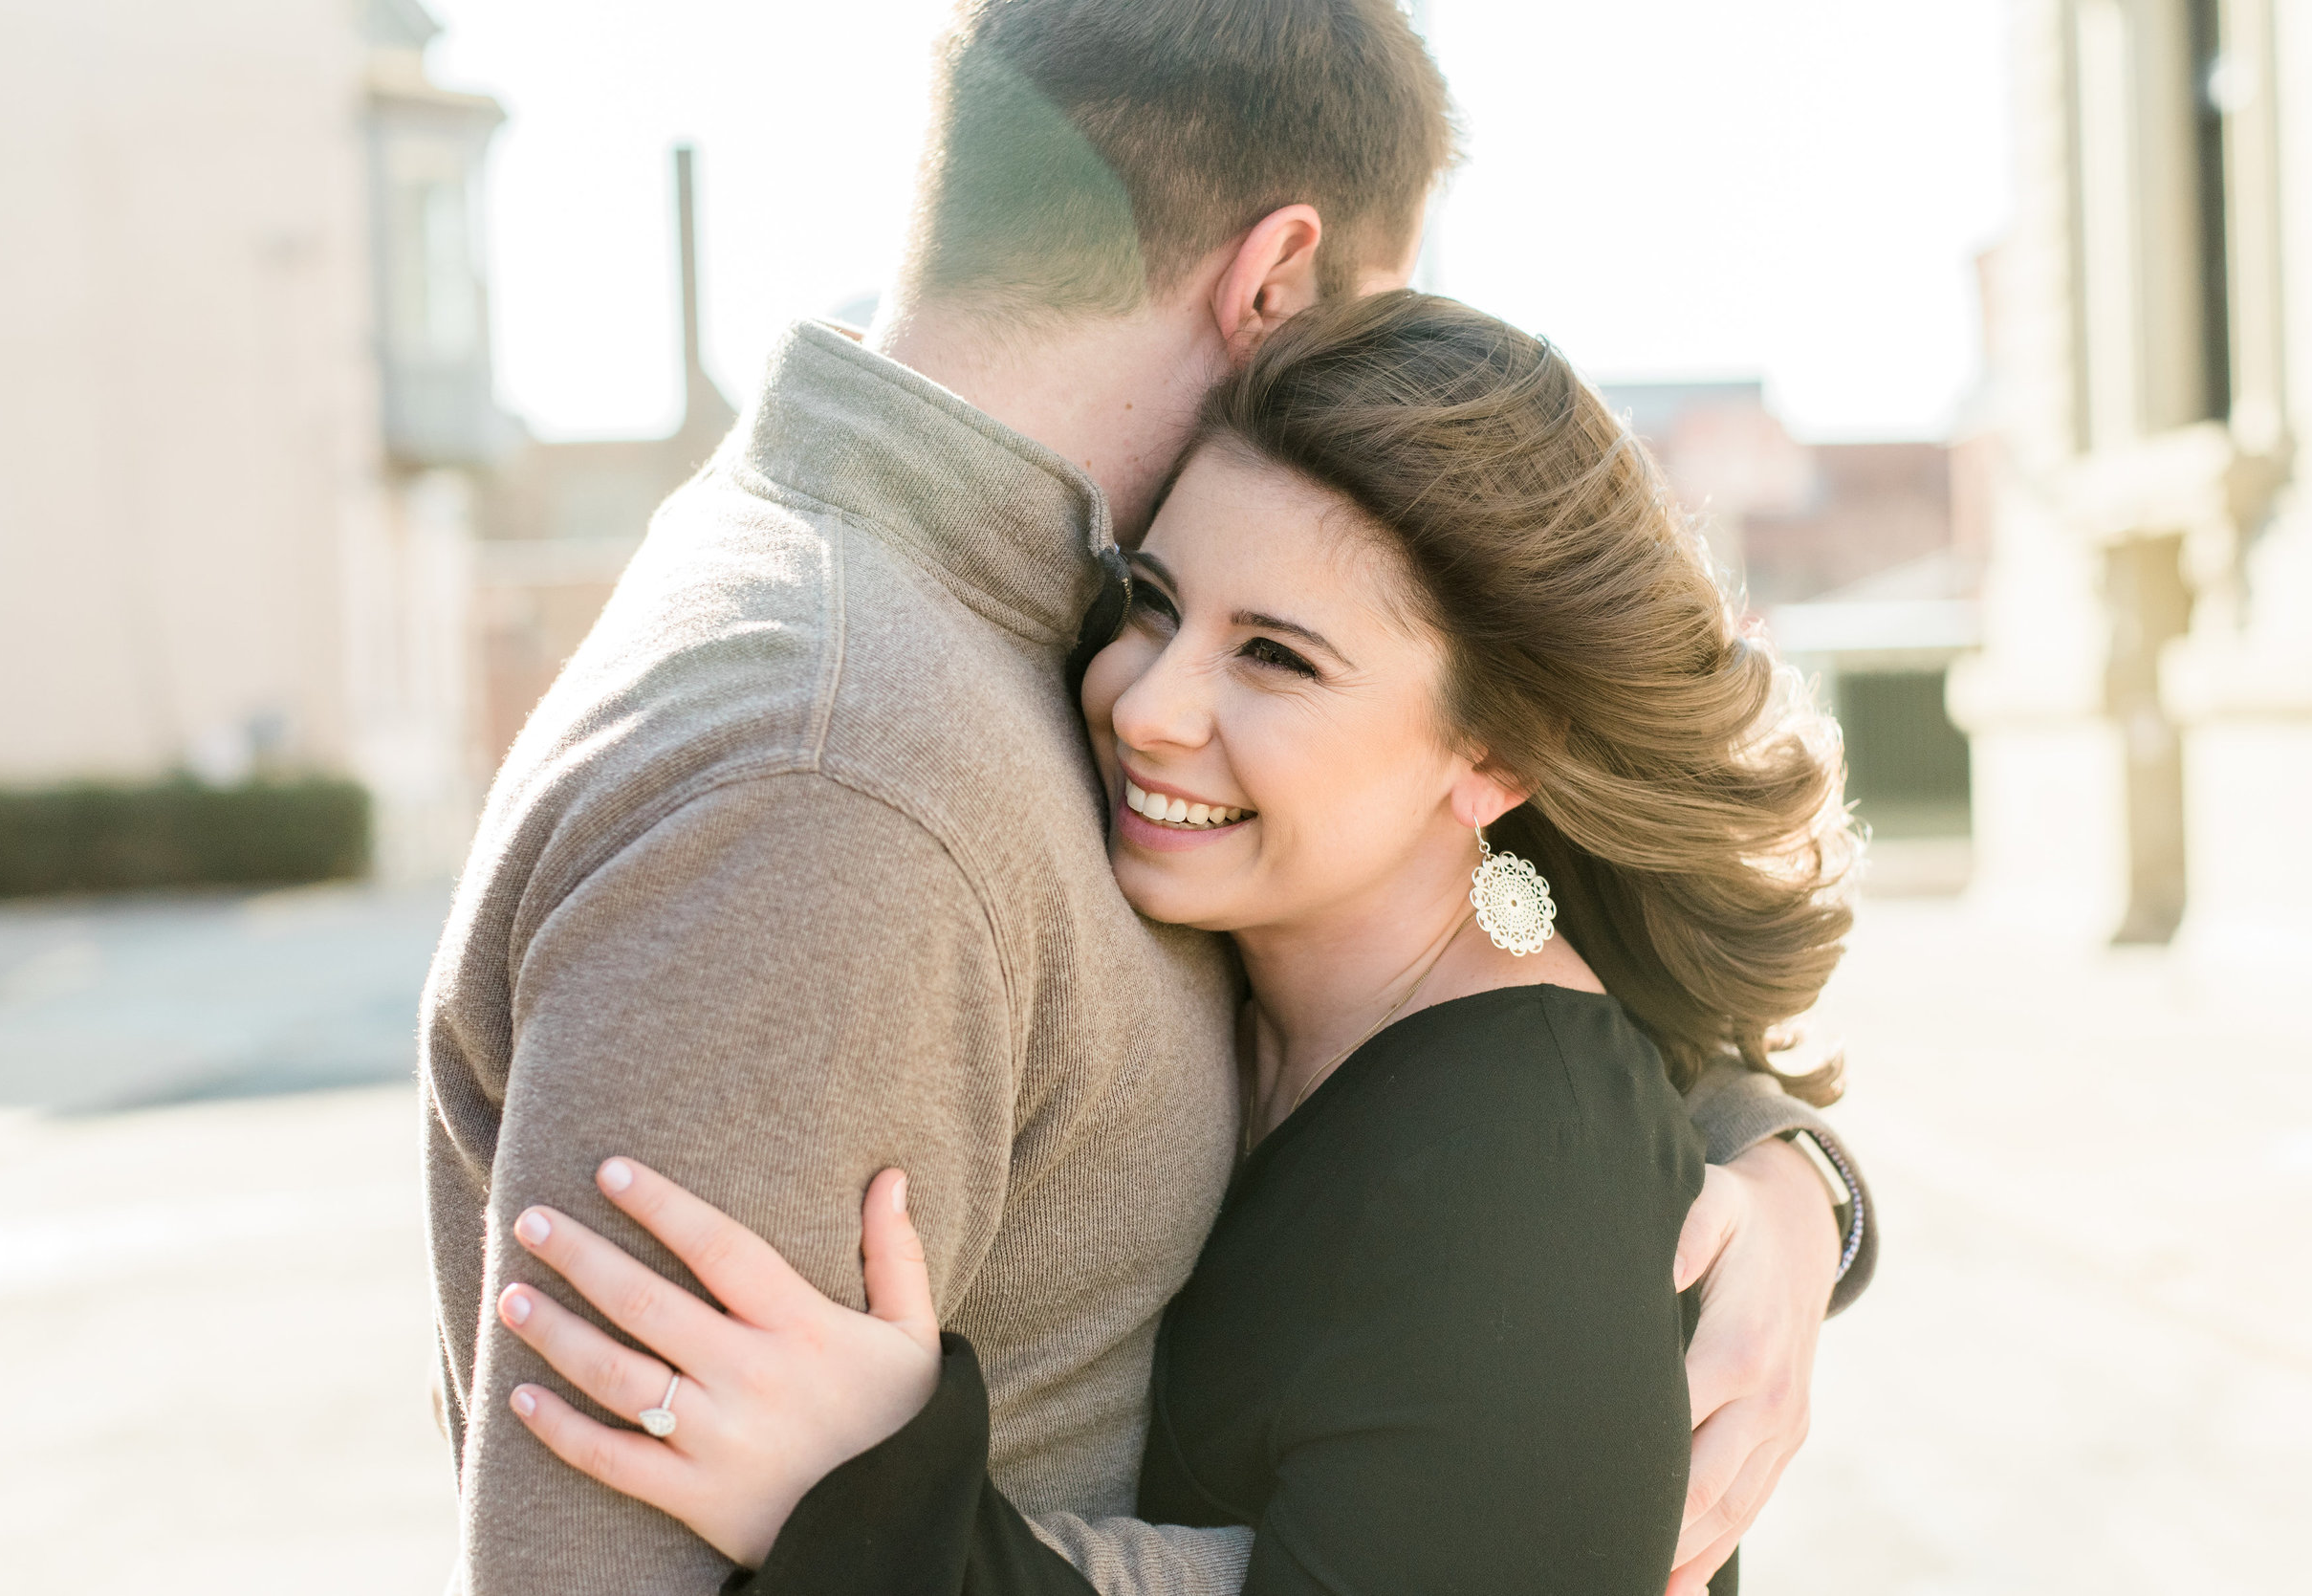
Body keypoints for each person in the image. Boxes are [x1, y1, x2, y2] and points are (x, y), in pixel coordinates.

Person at [420, 5, 1872, 1594]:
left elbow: (1535, 1113)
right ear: (1278, 281)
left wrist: (1787, 1175)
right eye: (1165, 607)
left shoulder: (989, 639)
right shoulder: (849, 746)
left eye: (1280, 655)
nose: (1154, 703)